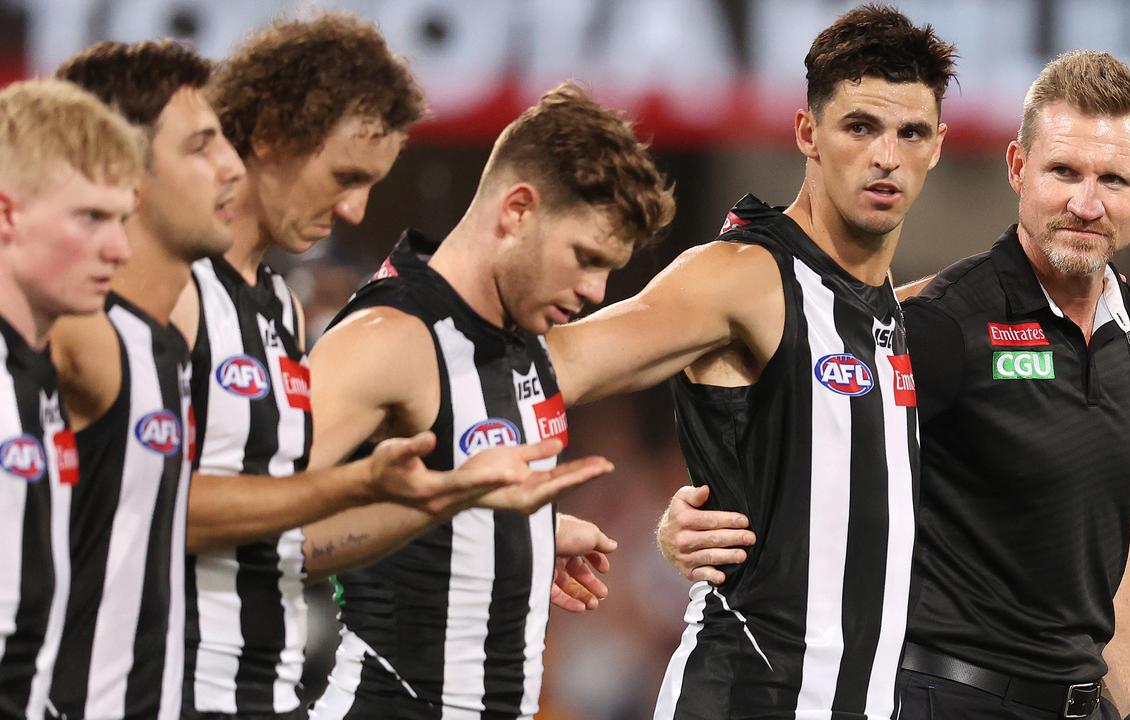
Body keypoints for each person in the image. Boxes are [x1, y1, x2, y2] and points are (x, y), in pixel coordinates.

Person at [658, 50, 1130, 720]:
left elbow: (1100, 520)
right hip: (943, 697)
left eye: (1112, 177)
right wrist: (693, 515)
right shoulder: (942, 324)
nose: (1085, 202)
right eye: (1063, 172)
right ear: (1019, 168)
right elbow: (794, 430)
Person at [539, 5, 956, 718]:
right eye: (860, 126)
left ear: (938, 145)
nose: (887, 154)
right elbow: (548, 367)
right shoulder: (744, 276)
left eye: (910, 132)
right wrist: (514, 519)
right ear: (807, 134)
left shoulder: (894, 310)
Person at [171, 16, 591, 718]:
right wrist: (359, 482)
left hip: (262, 695)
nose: (353, 208)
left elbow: (290, 542)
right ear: (271, 132)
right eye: (344, 176)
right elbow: (151, 509)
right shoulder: (173, 290)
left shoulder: (273, 303)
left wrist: (448, 504)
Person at [302, 81, 675, 719]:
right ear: (518, 210)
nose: (594, 290)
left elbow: (670, 326)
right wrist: (453, 504)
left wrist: (521, 534)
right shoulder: (388, 339)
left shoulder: (523, 345)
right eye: (585, 257)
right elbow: (265, 529)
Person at [0, 78, 141, 720]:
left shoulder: (37, 375)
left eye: (123, 218)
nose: (120, 248)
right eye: (90, 217)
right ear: (8, 215)